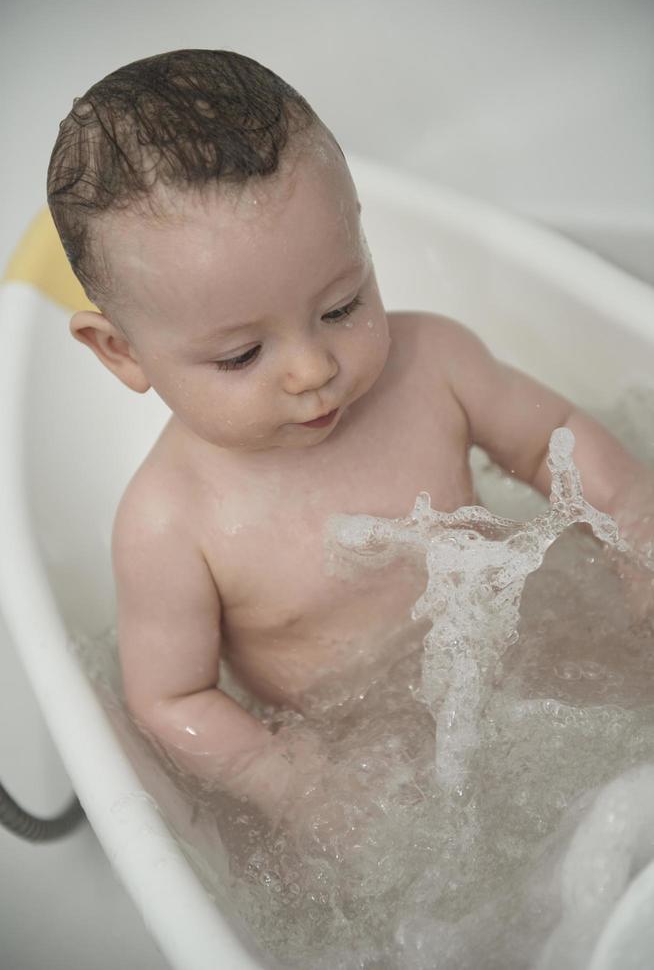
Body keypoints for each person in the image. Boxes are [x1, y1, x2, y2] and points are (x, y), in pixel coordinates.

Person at [47, 48, 653, 820]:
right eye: (241, 355)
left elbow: (552, 440)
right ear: (122, 353)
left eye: (341, 305)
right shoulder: (169, 523)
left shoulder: (434, 362)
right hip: (358, 757)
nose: (311, 369)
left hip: (530, 656)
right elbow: (172, 699)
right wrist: (291, 782)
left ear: (361, 237)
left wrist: (632, 514)